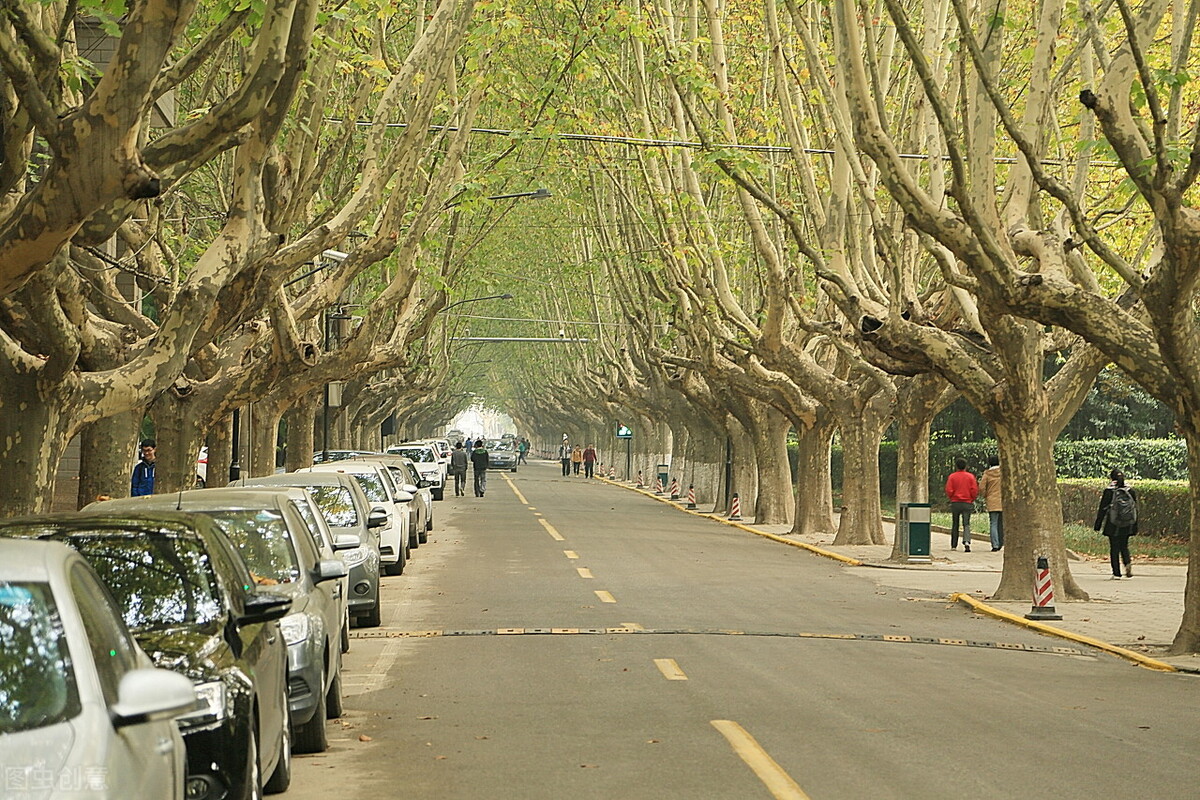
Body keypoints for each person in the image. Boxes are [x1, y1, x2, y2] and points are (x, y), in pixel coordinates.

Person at [1095, 469, 1138, 579]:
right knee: (1124, 546)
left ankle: (1116, 573)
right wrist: (1135, 525)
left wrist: (1098, 524)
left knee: (1114, 547)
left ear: (1111, 478)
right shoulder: (1130, 490)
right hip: (1127, 524)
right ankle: (1127, 563)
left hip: (1112, 524)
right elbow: (1134, 509)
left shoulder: (1109, 491)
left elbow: (1102, 509)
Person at [944, 457, 978, 552]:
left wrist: (952, 498)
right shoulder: (970, 477)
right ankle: (966, 541)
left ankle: (954, 545)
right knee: (966, 523)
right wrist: (972, 498)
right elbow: (974, 490)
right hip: (967, 502)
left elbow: (949, 490)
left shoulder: (952, 477)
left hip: (955, 502)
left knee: (955, 523)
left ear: (956, 466)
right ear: (966, 466)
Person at [979, 454, 1003, 551]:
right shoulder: (1004, 473)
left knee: (993, 523)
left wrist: (986, 495)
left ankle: (995, 545)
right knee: (1002, 523)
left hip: (992, 500)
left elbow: (981, 488)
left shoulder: (987, 474)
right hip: (1003, 501)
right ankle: (1001, 542)